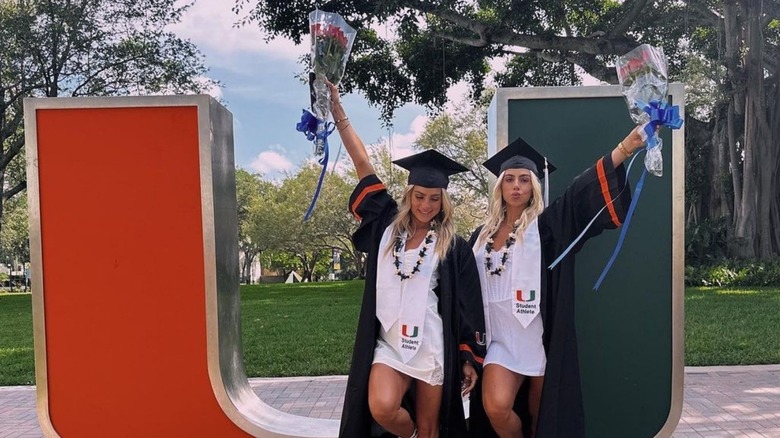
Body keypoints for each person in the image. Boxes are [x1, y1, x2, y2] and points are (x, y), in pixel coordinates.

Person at [328, 82, 487, 438]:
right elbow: (361, 162)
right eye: (419, 196)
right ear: (409, 193)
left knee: (433, 428)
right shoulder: (386, 223)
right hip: (389, 344)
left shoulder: (452, 246)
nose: (426, 205)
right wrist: (339, 113)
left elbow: (467, 305)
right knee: (382, 407)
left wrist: (467, 356)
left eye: (434, 198)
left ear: (443, 201)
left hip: (430, 344)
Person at [468, 128, 644, 438]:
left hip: (536, 336)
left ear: (534, 186)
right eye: (509, 179)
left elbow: (579, 194)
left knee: (543, 420)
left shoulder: (546, 227)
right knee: (496, 406)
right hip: (497, 338)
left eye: (524, 180)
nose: (516, 186)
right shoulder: (479, 236)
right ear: (500, 186)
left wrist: (625, 148)